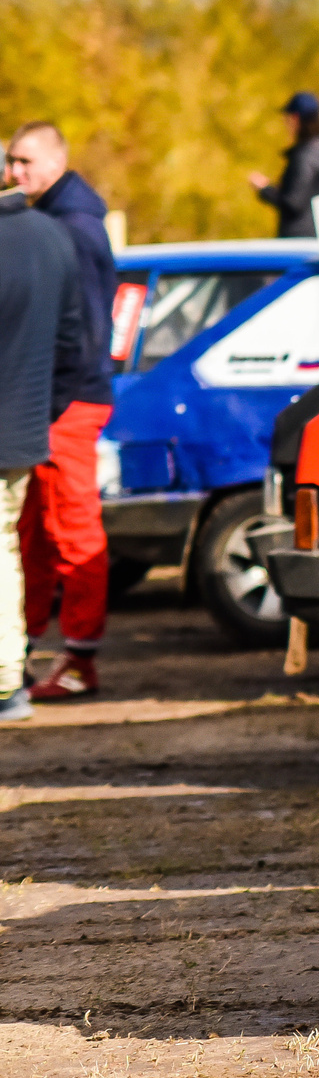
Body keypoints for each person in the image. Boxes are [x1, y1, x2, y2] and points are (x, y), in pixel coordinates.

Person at [1, 125, 117, 700]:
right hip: (55, 401)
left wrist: (48, 403)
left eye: (24, 161)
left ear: (54, 161)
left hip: (68, 401)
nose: (15, 172)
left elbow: (87, 336)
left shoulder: (74, 231)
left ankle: (79, 661)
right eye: (10, 162)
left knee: (73, 530)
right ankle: (20, 651)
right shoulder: (60, 222)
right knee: (32, 534)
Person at [246, 91, 319, 238]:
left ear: (295, 119)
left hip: (299, 240)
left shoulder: (305, 156)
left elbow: (293, 202)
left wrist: (264, 189)